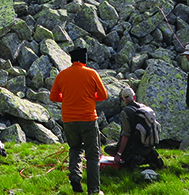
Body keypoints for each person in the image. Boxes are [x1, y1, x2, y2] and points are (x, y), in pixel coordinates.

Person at [50, 47, 108, 195]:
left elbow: (53, 97)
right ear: (84, 60)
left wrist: (67, 98)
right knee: (92, 155)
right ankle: (94, 190)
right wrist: (89, 96)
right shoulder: (91, 73)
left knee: (75, 149)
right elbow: (103, 96)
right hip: (88, 119)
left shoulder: (62, 75)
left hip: (68, 120)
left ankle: (75, 175)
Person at [104, 87, 164, 169]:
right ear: (134, 97)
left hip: (135, 148)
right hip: (148, 146)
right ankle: (150, 157)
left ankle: (134, 159)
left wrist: (119, 154)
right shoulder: (144, 108)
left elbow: (126, 135)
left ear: (123, 99)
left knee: (108, 148)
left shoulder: (126, 112)